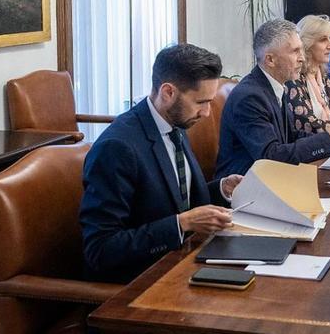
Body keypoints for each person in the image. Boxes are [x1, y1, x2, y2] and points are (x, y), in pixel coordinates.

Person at [80, 44, 244, 283]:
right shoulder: (117, 147)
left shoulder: (174, 124)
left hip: (185, 261)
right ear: (168, 92)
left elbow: (172, 199)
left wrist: (221, 188)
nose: (207, 113)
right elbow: (101, 249)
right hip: (142, 282)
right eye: (201, 102)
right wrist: (182, 223)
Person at [215, 18, 330, 178]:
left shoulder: (276, 85)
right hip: (245, 187)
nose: (302, 58)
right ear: (270, 59)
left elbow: (291, 136)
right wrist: (329, 138)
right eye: (295, 51)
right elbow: (270, 156)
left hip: (273, 180)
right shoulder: (249, 97)